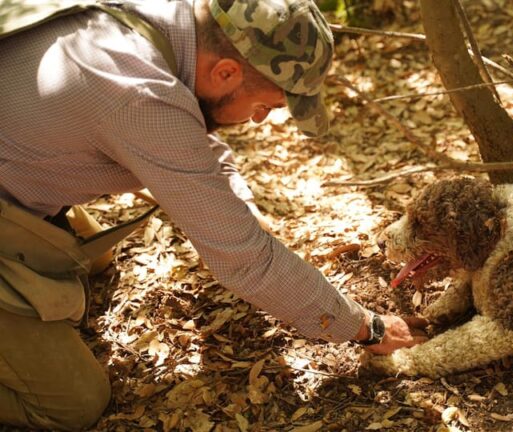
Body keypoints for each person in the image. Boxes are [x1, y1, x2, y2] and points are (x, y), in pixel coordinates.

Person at [0, 0, 427, 429]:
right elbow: (245, 261)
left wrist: (238, 203)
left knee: (93, 258)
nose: (259, 119)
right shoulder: (138, 95)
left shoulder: (165, 24)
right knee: (73, 407)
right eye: (267, 106)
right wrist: (366, 328)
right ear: (225, 72)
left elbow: (190, 135)